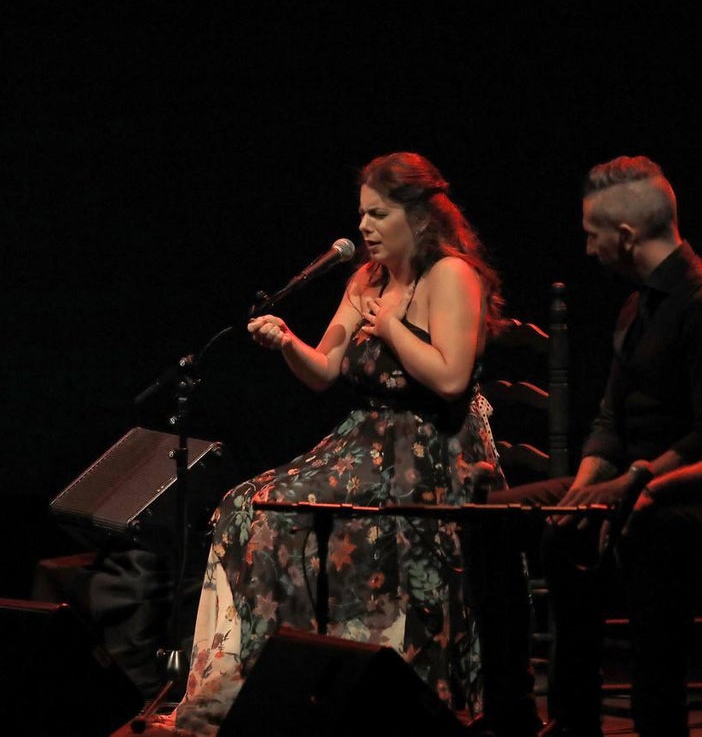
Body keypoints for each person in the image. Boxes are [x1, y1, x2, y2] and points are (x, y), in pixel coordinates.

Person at [132, 151, 510, 735]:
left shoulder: (449, 275)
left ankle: (362, 680)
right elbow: (325, 371)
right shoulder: (368, 280)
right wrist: (287, 341)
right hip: (364, 442)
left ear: (418, 215)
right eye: (362, 214)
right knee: (246, 505)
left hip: (430, 450)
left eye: (378, 215)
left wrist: (389, 327)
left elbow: (452, 377)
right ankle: (266, 682)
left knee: (303, 517)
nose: (363, 228)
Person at [471, 155, 702, 737]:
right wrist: (578, 492)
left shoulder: (697, 302)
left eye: (592, 232)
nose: (587, 245)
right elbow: (607, 418)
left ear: (624, 236)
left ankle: (658, 718)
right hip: (623, 481)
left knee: (644, 529)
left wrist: (640, 482)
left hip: (681, 490)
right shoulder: (635, 304)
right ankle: (527, 712)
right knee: (494, 519)